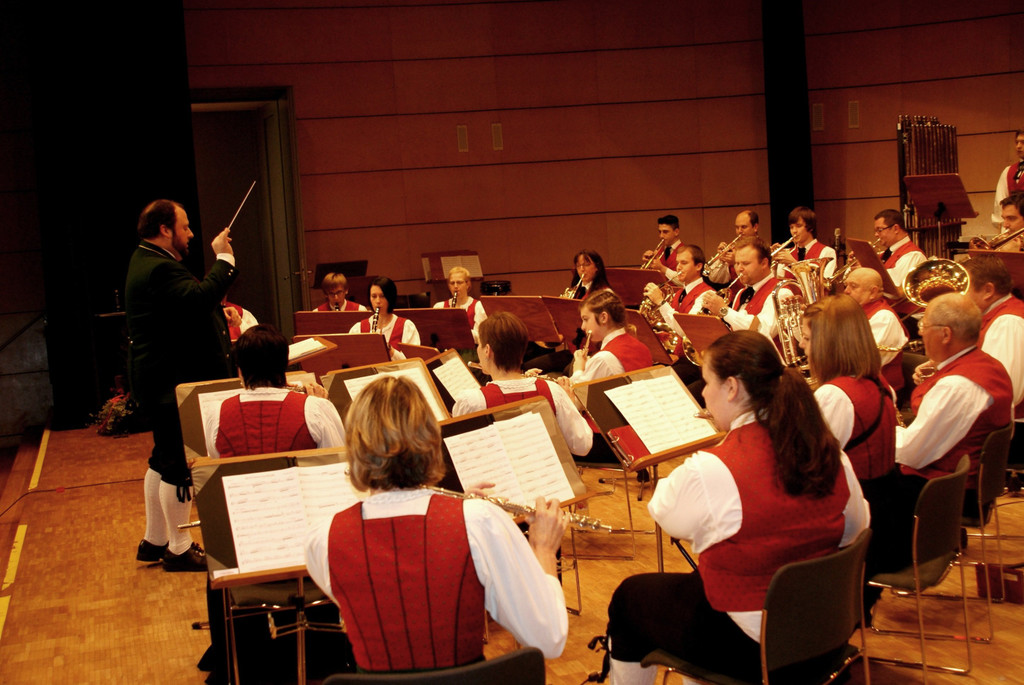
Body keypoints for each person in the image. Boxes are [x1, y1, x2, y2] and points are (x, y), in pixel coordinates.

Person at [603, 330, 869, 684]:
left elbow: (665, 512)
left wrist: (707, 457)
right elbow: (856, 528)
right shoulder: (827, 449)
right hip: (824, 628)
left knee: (629, 600)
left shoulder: (717, 467)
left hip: (755, 645)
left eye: (707, 382)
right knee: (697, 584)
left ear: (731, 388)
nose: (702, 393)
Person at [304, 375, 569, 672]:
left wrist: (454, 508)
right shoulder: (479, 522)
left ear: (354, 449)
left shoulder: (322, 539)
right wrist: (544, 550)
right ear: (430, 440)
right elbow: (549, 639)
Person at [126, 199, 237, 572]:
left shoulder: (146, 259)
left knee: (162, 460)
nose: (190, 234)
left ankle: (155, 539)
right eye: (185, 227)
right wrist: (224, 258)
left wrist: (217, 314)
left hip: (158, 379)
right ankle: (179, 547)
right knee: (176, 465)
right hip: (169, 382)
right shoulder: (159, 267)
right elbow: (197, 300)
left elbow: (180, 313)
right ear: (164, 229)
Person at [801, 296, 907, 605]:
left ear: (829, 344)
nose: (802, 347)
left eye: (807, 338)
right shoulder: (879, 382)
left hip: (857, 530)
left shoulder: (835, 396)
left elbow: (806, 469)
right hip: (885, 513)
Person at [899, 293, 1013, 514]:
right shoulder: (990, 365)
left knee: (864, 474)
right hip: (964, 484)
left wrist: (883, 435)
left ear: (945, 334)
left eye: (924, 325)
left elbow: (913, 455)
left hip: (946, 492)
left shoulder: (956, 385)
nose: (920, 332)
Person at [452, 312, 592, 456]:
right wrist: (570, 405)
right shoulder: (553, 391)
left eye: (479, 345)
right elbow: (582, 446)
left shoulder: (472, 402)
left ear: (487, 350)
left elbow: (459, 453)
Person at [203, 325, 346, 458]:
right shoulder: (316, 408)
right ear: (285, 364)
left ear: (239, 369)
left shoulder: (216, 413)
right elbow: (339, 459)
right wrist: (321, 406)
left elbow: (219, 463)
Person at [964, 254, 1024, 461]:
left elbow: (1003, 392)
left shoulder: (1008, 323)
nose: (959, 296)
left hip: (1011, 433)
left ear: (988, 290)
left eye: (964, 288)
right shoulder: (996, 315)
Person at [699, 238, 790, 346]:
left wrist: (724, 311)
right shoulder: (741, 293)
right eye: (737, 263)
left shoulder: (781, 292)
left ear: (764, 263)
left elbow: (763, 331)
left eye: (745, 263)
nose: (739, 269)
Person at [642, 244, 711, 384]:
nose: (678, 267)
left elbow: (686, 330)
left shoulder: (707, 295)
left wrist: (660, 302)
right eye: (678, 263)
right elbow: (668, 326)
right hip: (676, 356)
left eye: (684, 263)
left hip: (695, 364)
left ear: (698, 266)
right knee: (644, 376)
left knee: (660, 384)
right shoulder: (678, 293)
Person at [561, 291, 653, 386]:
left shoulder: (603, 359)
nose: (583, 327)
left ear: (603, 317)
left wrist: (578, 369)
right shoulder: (643, 348)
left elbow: (579, 392)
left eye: (586, 319)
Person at [843, 267, 909, 392]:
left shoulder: (884, 318)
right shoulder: (855, 311)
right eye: (846, 286)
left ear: (873, 292)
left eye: (853, 286)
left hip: (879, 391)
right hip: (857, 383)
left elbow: (865, 363)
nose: (846, 291)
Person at [349, 276, 420, 358]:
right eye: (374, 296)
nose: (378, 301)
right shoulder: (358, 329)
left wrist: (390, 350)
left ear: (390, 298)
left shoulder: (406, 327)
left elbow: (414, 361)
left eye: (382, 296)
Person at [772, 206, 837, 280]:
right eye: (791, 227)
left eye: (798, 226)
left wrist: (794, 263)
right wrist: (774, 267)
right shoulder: (787, 253)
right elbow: (778, 282)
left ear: (811, 227)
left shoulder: (827, 252)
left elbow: (823, 283)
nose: (794, 231)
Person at [873, 209, 926, 293]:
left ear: (896, 229)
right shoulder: (886, 253)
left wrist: (868, 270)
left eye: (879, 230)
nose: (876, 234)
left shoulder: (913, 255)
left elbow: (896, 286)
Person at [704, 209, 760, 285]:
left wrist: (735, 262)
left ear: (755, 227)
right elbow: (715, 279)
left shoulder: (761, 250)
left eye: (744, 227)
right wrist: (721, 260)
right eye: (737, 227)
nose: (739, 231)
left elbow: (754, 281)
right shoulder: (733, 249)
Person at [432, 265, 486, 340]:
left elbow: (480, 337)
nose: (455, 286)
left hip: (470, 347)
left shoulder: (478, 306)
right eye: (452, 283)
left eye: (459, 282)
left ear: (467, 284)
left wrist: (460, 327)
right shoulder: (439, 306)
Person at [991, 128, 1024, 229]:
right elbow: (1000, 203)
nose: (1018, 146)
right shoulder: (1008, 171)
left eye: (1023, 142)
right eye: (1017, 142)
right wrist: (1004, 229)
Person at [641, 214, 684, 282]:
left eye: (665, 232)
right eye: (660, 232)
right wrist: (649, 264)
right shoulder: (659, 251)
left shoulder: (685, 252)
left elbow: (684, 281)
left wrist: (661, 268)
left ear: (676, 232)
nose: (661, 236)